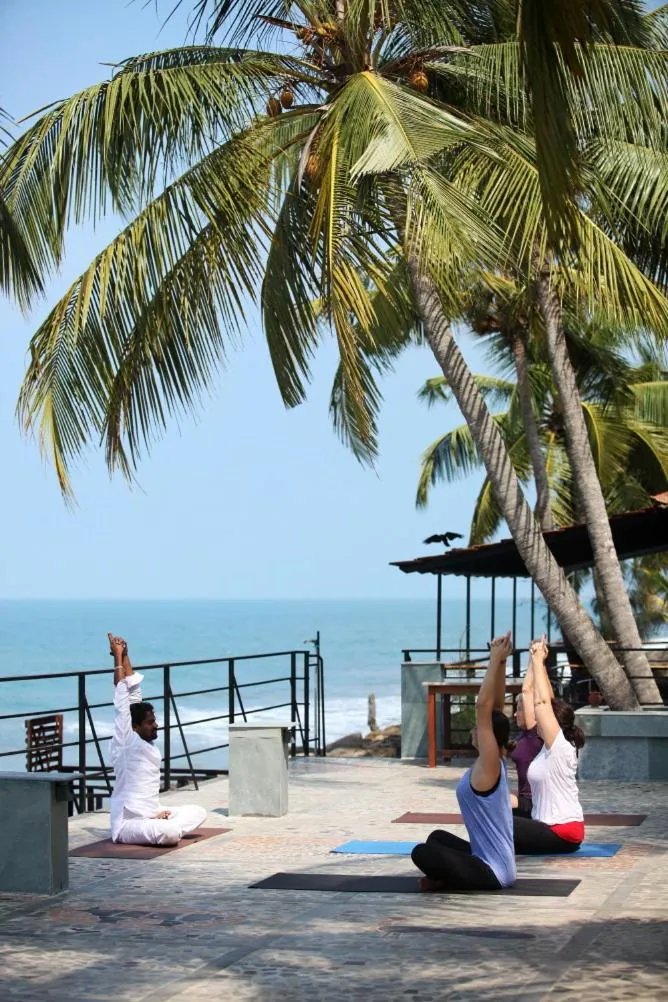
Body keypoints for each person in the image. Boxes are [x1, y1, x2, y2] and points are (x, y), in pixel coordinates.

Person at [411, 632, 516, 892]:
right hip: (489, 861)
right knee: (436, 838)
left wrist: (493, 660)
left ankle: (443, 882)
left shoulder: (490, 766)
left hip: (493, 872)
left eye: (478, 728)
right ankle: (444, 879)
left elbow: (483, 707)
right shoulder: (493, 761)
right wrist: (501, 663)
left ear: (488, 736)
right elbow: (495, 709)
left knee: (421, 853)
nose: (474, 729)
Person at [108, 633, 207, 846]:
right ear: (135, 727)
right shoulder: (125, 742)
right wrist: (116, 658)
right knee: (170, 832)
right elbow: (123, 700)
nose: (156, 725)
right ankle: (162, 828)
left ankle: (158, 824)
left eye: (154, 721)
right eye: (150, 722)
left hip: (152, 813)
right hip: (128, 823)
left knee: (198, 812)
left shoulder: (143, 741)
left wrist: (125, 655)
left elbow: (134, 694)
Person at [513, 635, 586, 855]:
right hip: (544, 825)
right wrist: (537, 663)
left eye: (542, 717)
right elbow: (544, 700)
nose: (536, 717)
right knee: (494, 816)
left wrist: (538, 660)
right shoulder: (546, 749)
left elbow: (543, 702)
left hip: (562, 831)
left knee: (500, 822)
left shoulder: (560, 747)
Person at [509, 645, 547, 817]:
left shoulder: (535, 734)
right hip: (525, 801)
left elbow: (528, 691)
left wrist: (535, 660)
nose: (516, 713)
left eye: (519, 709)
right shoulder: (522, 735)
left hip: (537, 802)